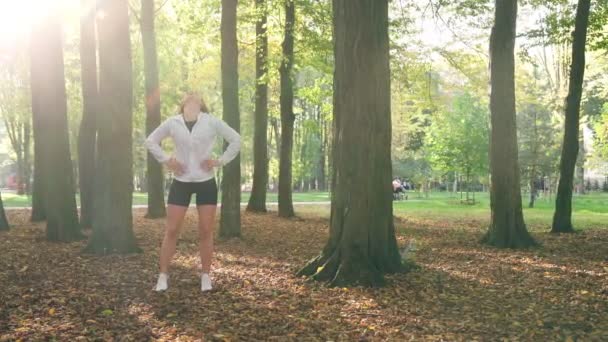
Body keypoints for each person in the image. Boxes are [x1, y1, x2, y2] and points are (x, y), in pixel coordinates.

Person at [145, 92, 241, 292]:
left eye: (197, 101)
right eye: (190, 101)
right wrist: (167, 160)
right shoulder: (173, 123)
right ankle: (163, 276)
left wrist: (219, 161)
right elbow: (151, 141)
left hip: (206, 182)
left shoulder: (211, 122)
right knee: (171, 230)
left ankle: (206, 276)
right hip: (181, 181)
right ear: (183, 105)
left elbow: (236, 140)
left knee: (206, 230)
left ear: (201, 105)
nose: (193, 103)